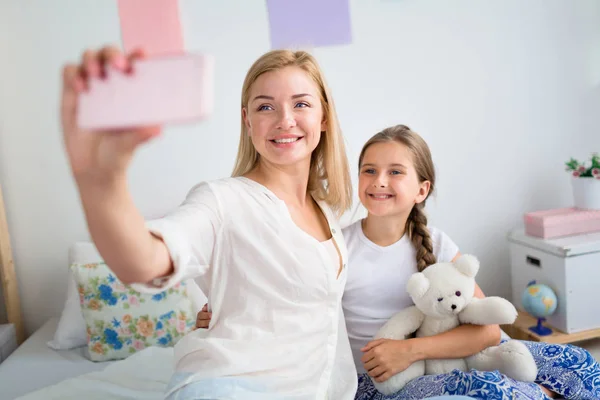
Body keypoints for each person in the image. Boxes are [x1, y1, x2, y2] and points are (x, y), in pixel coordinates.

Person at [197, 125, 600, 400]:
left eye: (395, 172)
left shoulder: (437, 244)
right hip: (385, 382)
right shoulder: (339, 247)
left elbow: (488, 333)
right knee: (496, 391)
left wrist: (411, 350)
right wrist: (230, 311)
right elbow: (288, 302)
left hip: (439, 356)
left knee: (582, 364)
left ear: (422, 189)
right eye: (369, 170)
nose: (379, 181)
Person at [61, 46, 358, 399]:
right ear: (247, 121)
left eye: (301, 104)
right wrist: (102, 183)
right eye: (265, 106)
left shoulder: (327, 211)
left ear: (324, 117)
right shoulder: (222, 201)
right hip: (227, 387)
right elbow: (145, 261)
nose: (285, 120)